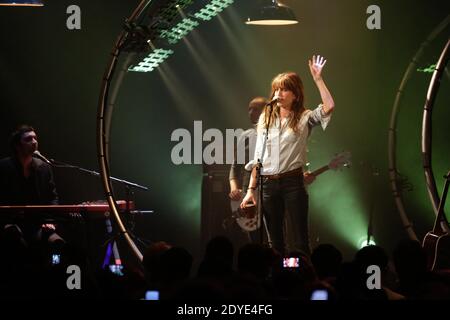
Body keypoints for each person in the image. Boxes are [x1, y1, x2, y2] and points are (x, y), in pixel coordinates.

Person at [241, 55, 335, 256]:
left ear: (295, 94)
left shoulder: (304, 117)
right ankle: (279, 280)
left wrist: (318, 79)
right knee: (275, 243)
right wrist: (251, 190)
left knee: (300, 241)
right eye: (276, 89)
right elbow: (258, 157)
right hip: (268, 184)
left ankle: (302, 279)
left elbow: (328, 107)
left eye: (284, 89)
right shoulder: (266, 118)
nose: (278, 93)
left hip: (292, 182)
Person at [0, 125, 62, 250]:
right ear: (17, 146)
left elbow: (52, 197)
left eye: (35, 138)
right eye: (28, 139)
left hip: (38, 224)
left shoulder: (44, 167)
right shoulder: (4, 167)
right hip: (11, 224)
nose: (34, 142)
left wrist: (50, 221)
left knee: (60, 246)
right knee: (15, 242)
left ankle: (58, 269)